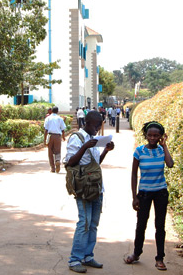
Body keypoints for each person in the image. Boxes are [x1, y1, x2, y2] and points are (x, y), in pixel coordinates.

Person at [65, 111, 115, 273]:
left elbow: (95, 164)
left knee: (93, 224)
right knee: (84, 223)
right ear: (86, 123)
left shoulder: (94, 139)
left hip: (96, 186)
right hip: (83, 188)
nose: (97, 129)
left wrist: (105, 150)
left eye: (99, 126)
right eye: (95, 126)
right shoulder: (76, 138)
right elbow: (70, 162)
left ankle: (87, 256)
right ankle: (74, 260)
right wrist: (85, 147)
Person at [124, 121, 174, 271]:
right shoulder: (139, 151)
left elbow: (170, 164)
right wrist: (134, 196)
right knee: (141, 225)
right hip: (144, 193)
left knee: (160, 226)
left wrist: (165, 146)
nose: (152, 138)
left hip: (160, 192)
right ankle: (136, 253)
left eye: (156, 135)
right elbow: (133, 174)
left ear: (160, 136)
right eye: (150, 135)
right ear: (145, 135)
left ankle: (160, 258)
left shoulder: (161, 151)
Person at [43, 106, 66, 173]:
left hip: (50, 136)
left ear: (51, 111)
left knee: (50, 152)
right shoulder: (60, 119)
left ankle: (52, 168)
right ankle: (57, 160)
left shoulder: (48, 118)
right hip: (58, 136)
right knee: (57, 151)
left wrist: (44, 140)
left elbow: (46, 130)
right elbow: (63, 129)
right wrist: (63, 137)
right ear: (57, 111)